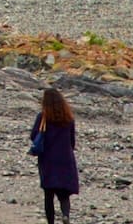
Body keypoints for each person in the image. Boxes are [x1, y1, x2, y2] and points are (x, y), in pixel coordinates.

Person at [32, 88, 80, 224]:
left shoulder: (42, 117)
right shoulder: (68, 118)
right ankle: (65, 215)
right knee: (64, 194)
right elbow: (72, 141)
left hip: (48, 159)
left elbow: (34, 136)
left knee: (49, 194)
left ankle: (51, 222)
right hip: (65, 158)